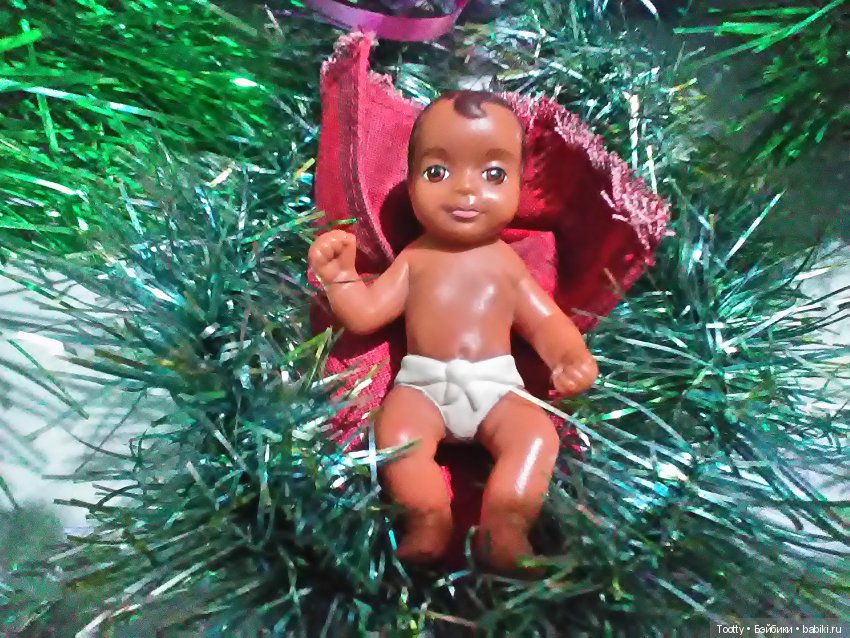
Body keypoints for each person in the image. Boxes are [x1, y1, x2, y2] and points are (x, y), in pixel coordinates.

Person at [308, 90, 598, 574]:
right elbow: (365, 314)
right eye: (437, 172)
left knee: (534, 438)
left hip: (497, 386)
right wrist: (340, 277)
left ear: (520, 184)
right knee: (396, 433)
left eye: (493, 174)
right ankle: (427, 519)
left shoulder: (506, 265)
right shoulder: (416, 260)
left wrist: (569, 356)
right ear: (410, 180)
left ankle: (505, 527)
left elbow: (544, 319)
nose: (465, 190)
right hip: (423, 385)